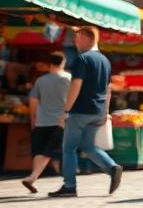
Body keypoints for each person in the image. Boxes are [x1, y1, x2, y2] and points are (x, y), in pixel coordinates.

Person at [49, 26, 122, 198]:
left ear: (87, 37)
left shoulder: (82, 59)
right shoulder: (105, 60)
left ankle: (69, 186)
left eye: (77, 37)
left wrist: (66, 110)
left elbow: (76, 85)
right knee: (89, 146)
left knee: (68, 148)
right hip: (97, 111)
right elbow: (107, 89)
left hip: (80, 110)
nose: (75, 41)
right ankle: (112, 167)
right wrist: (106, 111)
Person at [21, 51, 70, 193]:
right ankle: (32, 176)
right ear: (62, 63)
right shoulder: (68, 78)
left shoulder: (41, 80)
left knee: (40, 150)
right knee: (50, 151)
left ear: (50, 64)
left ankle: (34, 176)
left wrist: (33, 120)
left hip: (42, 121)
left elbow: (33, 101)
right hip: (60, 121)